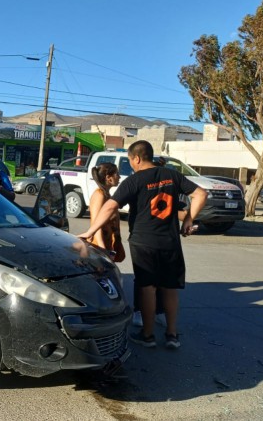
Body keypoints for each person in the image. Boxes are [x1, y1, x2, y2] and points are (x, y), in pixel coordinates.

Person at [77, 140, 207, 350]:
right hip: (170, 241)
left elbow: (110, 206)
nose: (131, 165)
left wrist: (91, 231)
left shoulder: (134, 180)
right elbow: (201, 194)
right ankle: (172, 335)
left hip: (144, 241)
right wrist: (190, 219)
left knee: (147, 287)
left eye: (130, 161)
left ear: (136, 158)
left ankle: (148, 336)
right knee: (170, 287)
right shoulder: (172, 175)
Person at [88, 162, 126, 263]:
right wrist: (102, 249)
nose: (119, 177)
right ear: (108, 178)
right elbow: (95, 224)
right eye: (117, 174)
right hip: (99, 247)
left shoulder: (107, 195)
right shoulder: (99, 195)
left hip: (107, 244)